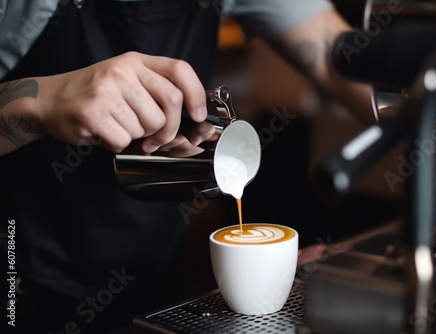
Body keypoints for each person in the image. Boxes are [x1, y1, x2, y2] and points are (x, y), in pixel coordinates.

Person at [0, 0, 373, 333]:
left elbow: (344, 60)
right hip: (19, 271)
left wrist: (427, 103)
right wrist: (37, 102)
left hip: (153, 273)